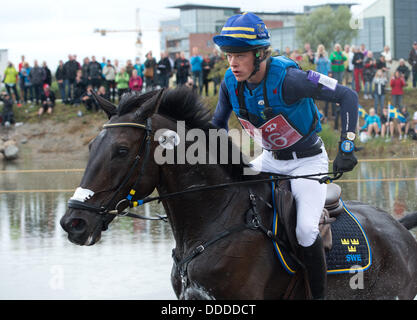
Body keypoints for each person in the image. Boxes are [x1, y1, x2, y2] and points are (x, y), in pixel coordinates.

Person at [212, 12, 359, 300]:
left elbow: (348, 96)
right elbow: (216, 126)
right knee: (226, 197)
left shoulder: (292, 79)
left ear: (259, 54)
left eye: (239, 55)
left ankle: (317, 296)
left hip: (307, 161)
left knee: (305, 231)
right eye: (229, 55)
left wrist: (347, 146)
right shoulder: (230, 82)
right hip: (269, 158)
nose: (232, 62)